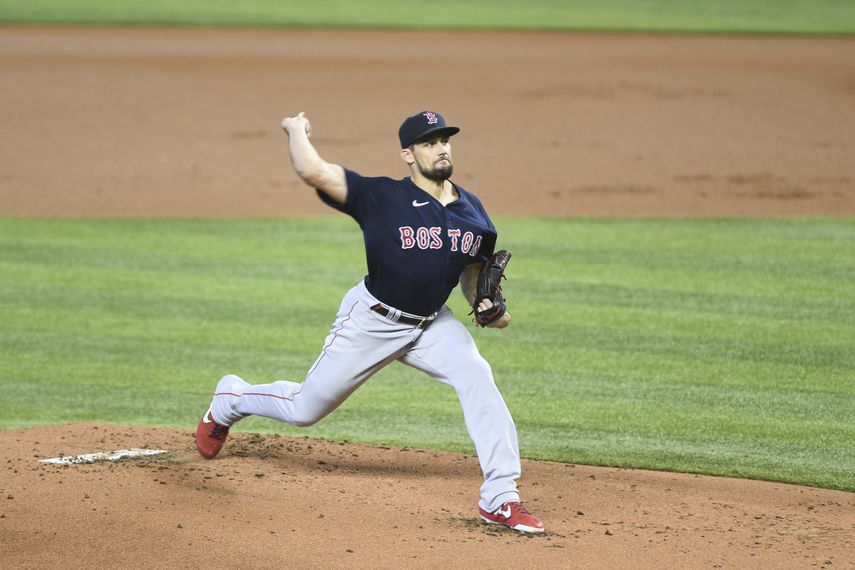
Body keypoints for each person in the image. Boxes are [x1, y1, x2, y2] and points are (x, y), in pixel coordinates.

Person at [195, 110, 544, 534]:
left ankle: (500, 496)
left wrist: (490, 307)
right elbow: (313, 171)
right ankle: (231, 398)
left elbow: (473, 277)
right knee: (305, 409)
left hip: (431, 325)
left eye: (445, 140)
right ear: (408, 155)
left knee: (477, 375)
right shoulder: (382, 197)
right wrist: (296, 130)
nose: (441, 148)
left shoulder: (475, 213)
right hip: (373, 320)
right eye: (429, 143)